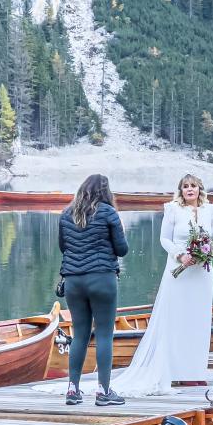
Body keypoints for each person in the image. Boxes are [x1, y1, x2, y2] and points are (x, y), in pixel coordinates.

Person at [114, 173, 213, 397]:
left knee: (198, 320)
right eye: (185, 187)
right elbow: (165, 239)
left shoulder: (211, 211)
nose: (189, 189)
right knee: (176, 319)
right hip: (178, 272)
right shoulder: (173, 210)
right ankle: (173, 371)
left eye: (193, 186)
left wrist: (207, 254)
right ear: (180, 190)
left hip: (202, 274)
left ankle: (194, 372)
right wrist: (180, 255)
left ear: (200, 189)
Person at [59, 174, 129, 407]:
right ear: (105, 191)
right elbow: (121, 249)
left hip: (73, 282)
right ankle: (103, 391)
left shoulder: (66, 214)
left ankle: (72, 390)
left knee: (79, 335)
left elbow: (63, 247)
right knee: (104, 334)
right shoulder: (109, 213)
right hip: (102, 279)